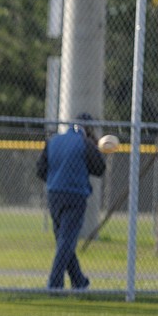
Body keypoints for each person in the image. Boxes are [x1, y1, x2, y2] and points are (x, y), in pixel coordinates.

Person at [36, 113, 106, 290]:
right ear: (87, 129)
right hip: (75, 195)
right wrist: (97, 149)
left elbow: (40, 169)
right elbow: (99, 169)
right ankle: (54, 284)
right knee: (66, 241)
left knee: (63, 241)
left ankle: (79, 282)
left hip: (54, 195)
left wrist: (56, 180)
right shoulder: (84, 143)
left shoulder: (54, 140)